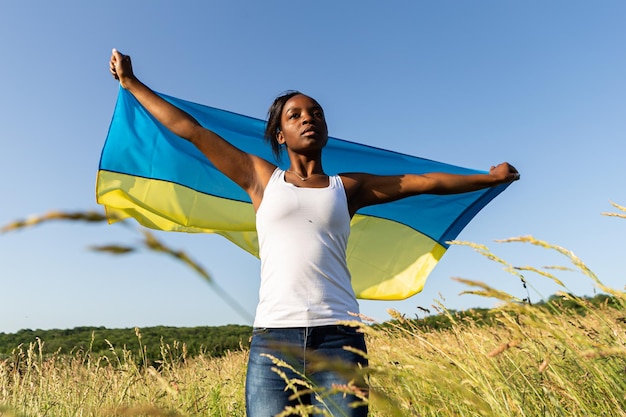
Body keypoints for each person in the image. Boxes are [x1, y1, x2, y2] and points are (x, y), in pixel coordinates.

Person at [109, 48, 520, 417]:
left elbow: (422, 182)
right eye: (296, 115)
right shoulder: (260, 178)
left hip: (339, 338)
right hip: (274, 340)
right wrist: (132, 83)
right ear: (279, 135)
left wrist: (485, 179)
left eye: (317, 113)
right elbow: (191, 130)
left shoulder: (348, 188)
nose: (309, 118)